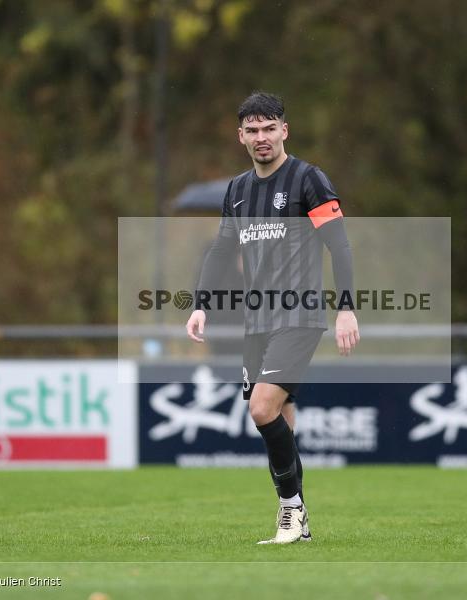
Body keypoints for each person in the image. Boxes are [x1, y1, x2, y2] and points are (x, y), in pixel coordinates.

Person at [186, 91, 359, 544]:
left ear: (284, 130)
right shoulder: (238, 191)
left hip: (298, 316)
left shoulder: (308, 180)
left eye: (269, 128)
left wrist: (346, 308)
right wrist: (200, 303)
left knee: (260, 409)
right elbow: (223, 249)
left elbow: (338, 244)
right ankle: (298, 523)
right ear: (240, 136)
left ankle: (291, 511)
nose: (262, 138)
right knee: (280, 416)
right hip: (255, 320)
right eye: (253, 130)